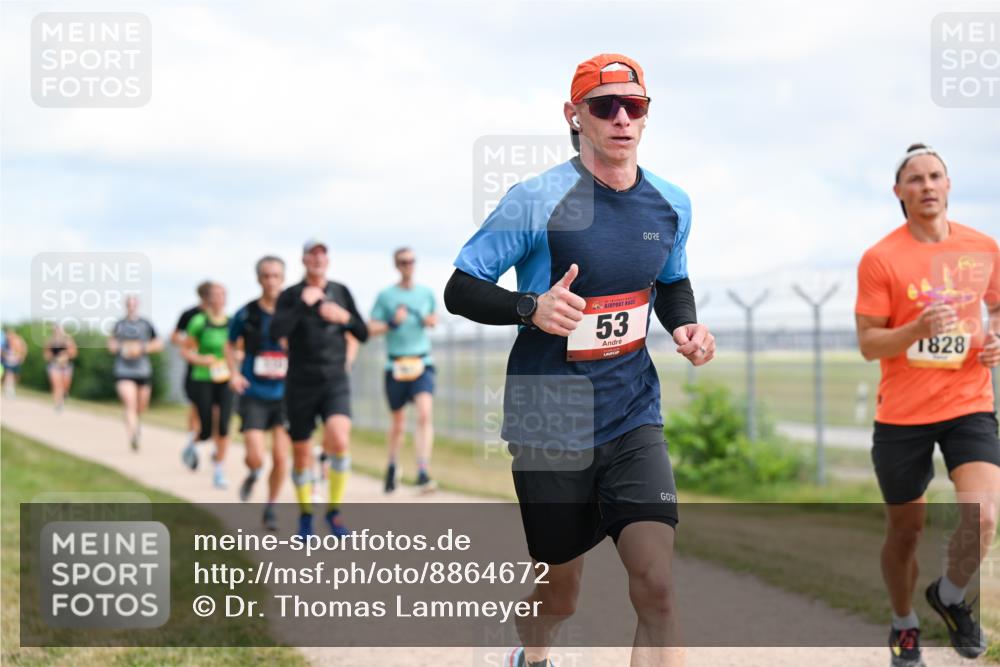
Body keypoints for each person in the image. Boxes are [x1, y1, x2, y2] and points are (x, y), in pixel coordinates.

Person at [444, 54, 715, 667]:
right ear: (575, 116)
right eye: (604, 106)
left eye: (634, 106)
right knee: (558, 594)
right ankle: (531, 657)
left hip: (631, 413)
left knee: (658, 587)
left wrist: (686, 325)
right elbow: (460, 287)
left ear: (646, 116)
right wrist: (529, 307)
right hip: (550, 418)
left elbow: (672, 282)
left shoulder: (672, 204)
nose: (622, 117)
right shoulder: (535, 199)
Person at [856, 143, 1000, 667]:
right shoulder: (881, 258)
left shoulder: (982, 246)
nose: (927, 186)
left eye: (935, 175)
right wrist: (915, 328)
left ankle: (951, 595)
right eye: (914, 179)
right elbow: (870, 343)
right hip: (902, 414)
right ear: (900, 192)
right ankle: (904, 622)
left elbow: (998, 306)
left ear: (949, 184)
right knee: (906, 531)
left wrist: (997, 336)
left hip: (969, 402)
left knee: (984, 517)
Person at [271, 239, 368, 538]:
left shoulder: (340, 291)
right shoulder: (290, 295)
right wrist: (304, 303)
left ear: (328, 260)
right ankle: (305, 516)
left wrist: (345, 317)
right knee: (301, 455)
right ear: (303, 260)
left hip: (334, 380)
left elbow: (362, 332)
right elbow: (276, 332)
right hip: (300, 383)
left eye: (322, 254)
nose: (317, 259)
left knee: (339, 438)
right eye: (312, 255)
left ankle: (334, 513)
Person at [226, 256, 291, 531]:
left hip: (286, 394)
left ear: (283, 278)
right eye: (266, 276)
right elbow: (229, 344)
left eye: (276, 276)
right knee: (256, 455)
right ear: (258, 279)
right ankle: (253, 473)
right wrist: (234, 373)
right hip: (254, 392)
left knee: (280, 457)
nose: (271, 281)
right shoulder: (247, 313)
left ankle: (272, 506)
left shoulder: (292, 312)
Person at [368, 247, 439, 493]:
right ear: (396, 265)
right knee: (398, 424)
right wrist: (392, 322)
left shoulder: (426, 293)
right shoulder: (386, 296)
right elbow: (370, 329)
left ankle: (422, 470)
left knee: (424, 413)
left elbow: (434, 319)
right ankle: (392, 465)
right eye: (403, 262)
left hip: (422, 362)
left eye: (411, 261)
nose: (408, 265)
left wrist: (429, 321)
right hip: (396, 364)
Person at [182, 282, 233, 489]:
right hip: (203, 377)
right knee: (204, 428)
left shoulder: (232, 322)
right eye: (215, 295)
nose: (219, 299)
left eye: (222, 294)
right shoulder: (198, 322)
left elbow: (240, 349)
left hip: (226, 378)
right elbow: (186, 351)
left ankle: (219, 470)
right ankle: (192, 445)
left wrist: (236, 358)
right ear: (208, 299)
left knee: (223, 425)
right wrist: (202, 360)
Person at [108, 295, 163, 451]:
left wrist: (141, 348)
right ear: (126, 306)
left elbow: (158, 344)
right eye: (129, 304)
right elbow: (111, 344)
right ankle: (133, 435)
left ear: (137, 306)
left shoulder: (146, 324)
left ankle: (134, 423)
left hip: (142, 370)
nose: (131, 307)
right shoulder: (119, 324)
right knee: (129, 403)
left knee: (141, 406)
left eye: (134, 304)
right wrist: (123, 349)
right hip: (123, 370)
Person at [175, 282, 212, 469]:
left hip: (217, 371)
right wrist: (190, 344)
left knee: (216, 409)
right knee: (196, 406)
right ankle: (192, 443)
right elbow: (175, 337)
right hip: (195, 369)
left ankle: (210, 441)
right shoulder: (190, 315)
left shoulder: (221, 317)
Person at [44, 324, 78, 412]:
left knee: (65, 386)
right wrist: (55, 358)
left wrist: (66, 356)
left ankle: (64, 396)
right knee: (57, 385)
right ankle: (57, 405)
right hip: (54, 366)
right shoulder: (50, 342)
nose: (58, 332)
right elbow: (46, 355)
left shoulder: (68, 341)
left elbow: (74, 353)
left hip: (66, 366)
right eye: (56, 330)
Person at [2, 327, 27, 398]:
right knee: (8, 375)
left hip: (16, 361)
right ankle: (9, 390)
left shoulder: (19, 340)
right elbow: (2, 351)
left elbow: (24, 348)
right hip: (8, 361)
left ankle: (11, 389)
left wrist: (22, 357)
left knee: (15, 376)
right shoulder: (5, 341)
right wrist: (6, 356)